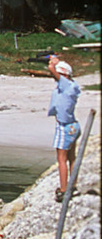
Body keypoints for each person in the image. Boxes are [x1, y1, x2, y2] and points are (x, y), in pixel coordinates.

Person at [48, 56, 82, 200]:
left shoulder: (67, 86)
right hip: (73, 125)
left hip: (64, 127)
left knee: (61, 158)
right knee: (71, 157)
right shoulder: (72, 87)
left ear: (64, 74)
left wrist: (52, 62)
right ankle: (73, 185)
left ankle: (63, 189)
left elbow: (51, 70)